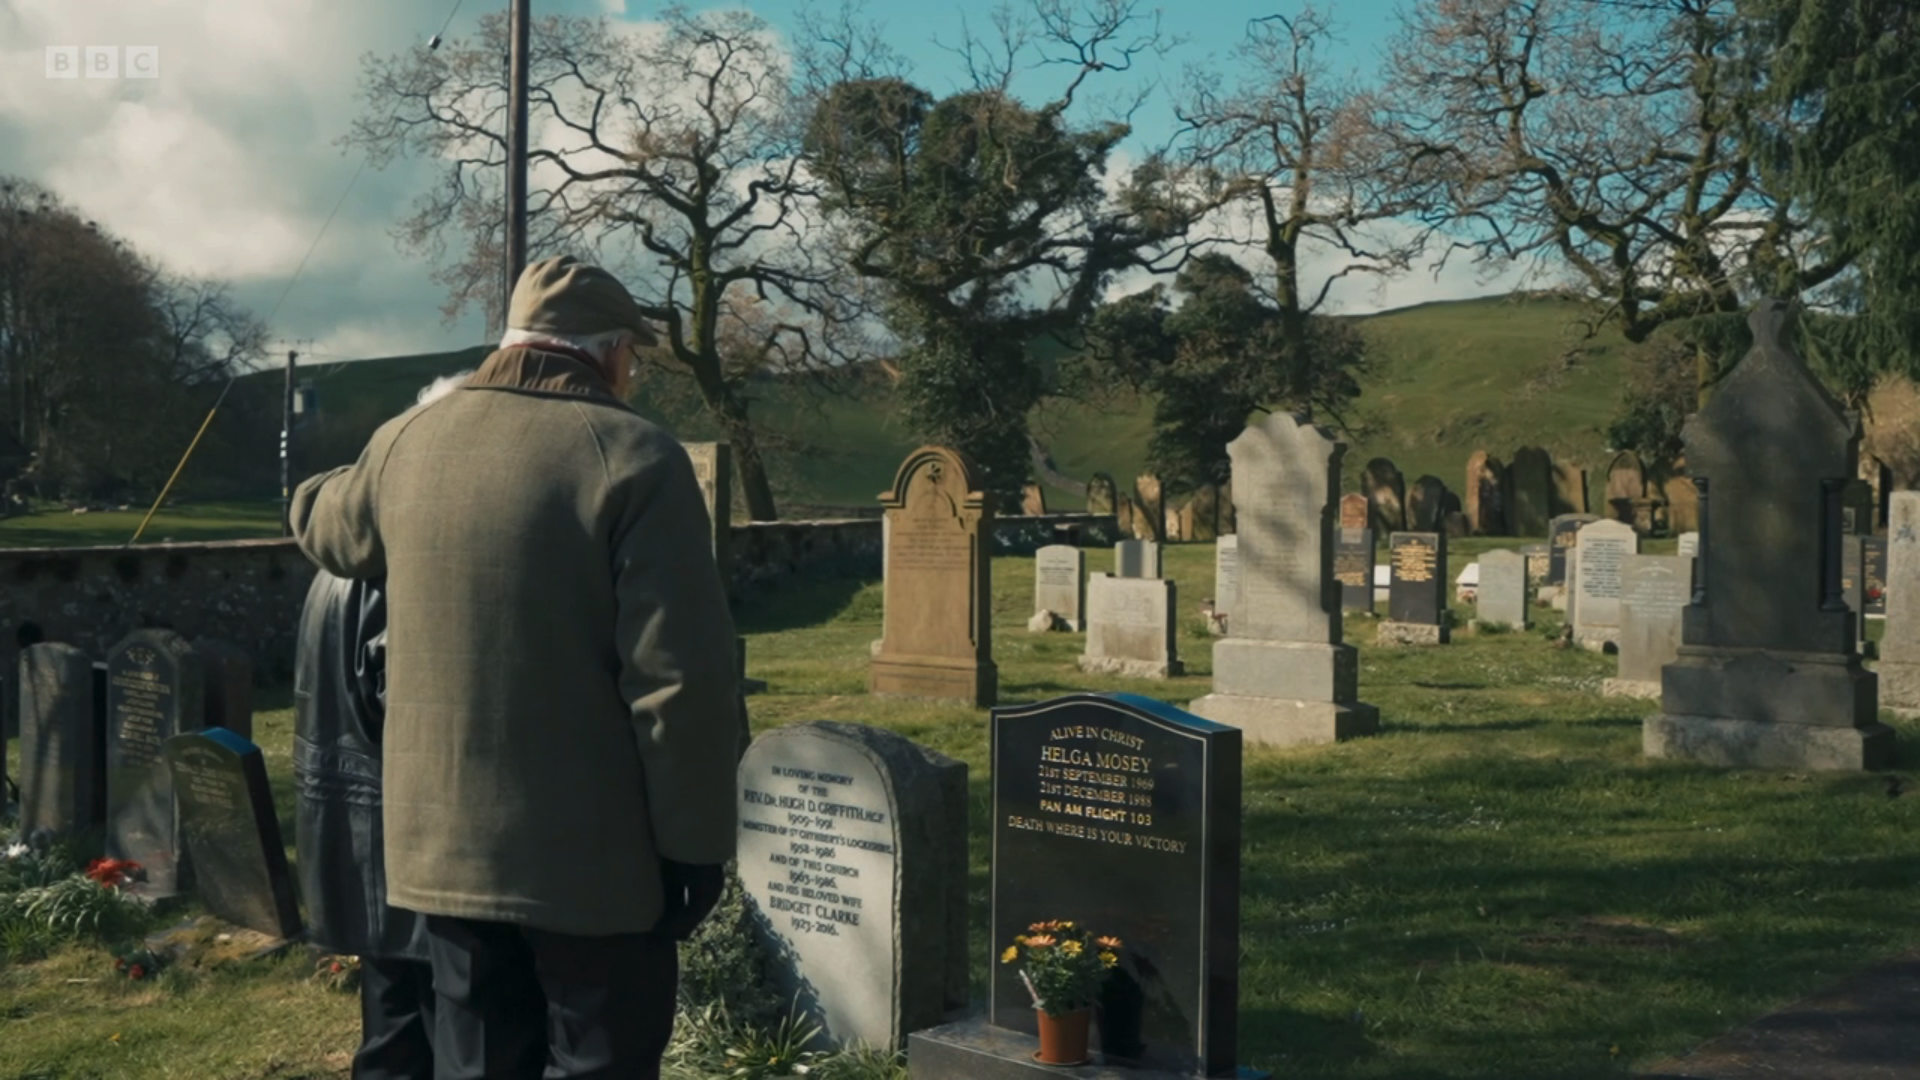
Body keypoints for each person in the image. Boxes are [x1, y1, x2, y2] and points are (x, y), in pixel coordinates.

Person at [291, 256, 743, 1080]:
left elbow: (325, 525)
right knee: (599, 1059)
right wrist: (696, 845)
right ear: (610, 354)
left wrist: (334, 476)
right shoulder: (637, 455)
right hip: (595, 865)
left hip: (441, 855)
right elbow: (681, 682)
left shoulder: (406, 444)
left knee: (478, 1063)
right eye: (631, 360)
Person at [292, 569, 436, 1079]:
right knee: (439, 1030)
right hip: (408, 830)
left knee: (391, 1030)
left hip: (354, 827)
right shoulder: (396, 572)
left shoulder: (331, 570)